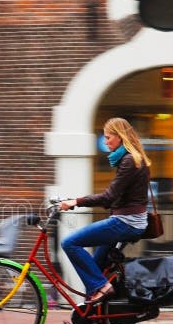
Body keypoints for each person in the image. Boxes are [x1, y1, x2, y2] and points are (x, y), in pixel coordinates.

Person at [59, 117, 151, 311]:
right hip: (129, 220)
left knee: (69, 243)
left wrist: (76, 202)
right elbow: (117, 197)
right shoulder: (131, 159)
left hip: (126, 222)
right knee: (95, 266)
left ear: (120, 136)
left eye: (108, 137)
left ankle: (103, 287)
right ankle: (89, 317)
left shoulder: (129, 161)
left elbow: (109, 196)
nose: (106, 141)